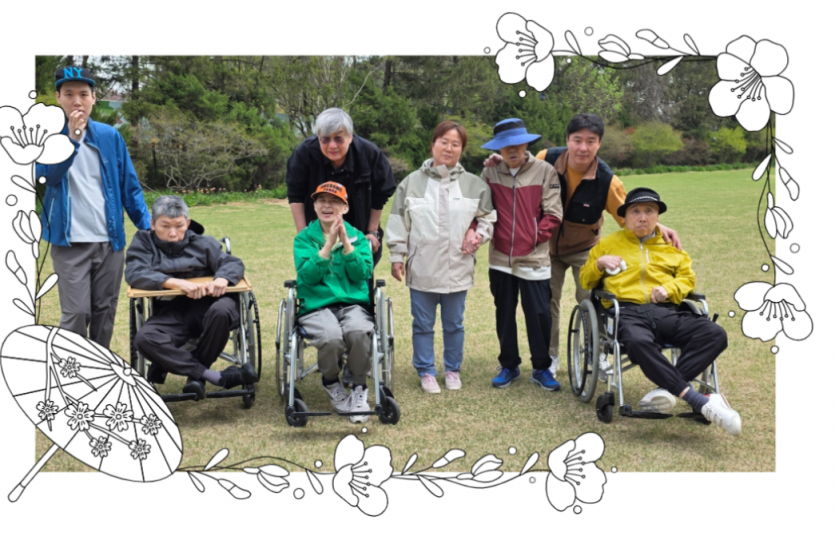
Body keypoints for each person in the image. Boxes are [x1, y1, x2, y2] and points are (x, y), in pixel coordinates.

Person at [485, 113, 681, 377]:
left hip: (584, 249)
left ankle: (596, 353)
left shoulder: (608, 180)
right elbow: (519, 166)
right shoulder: (546, 158)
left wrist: (657, 227)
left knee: (591, 299)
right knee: (546, 303)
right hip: (545, 248)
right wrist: (499, 160)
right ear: (567, 140)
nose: (583, 147)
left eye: (591, 141)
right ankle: (550, 357)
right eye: (577, 140)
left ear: (599, 143)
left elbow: (628, 217)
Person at [579, 187, 741, 436]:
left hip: (666, 311)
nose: (642, 217)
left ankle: (665, 391)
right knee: (637, 341)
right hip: (627, 313)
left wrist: (669, 289)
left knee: (715, 334)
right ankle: (697, 400)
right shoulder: (608, 244)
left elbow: (687, 280)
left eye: (649, 211)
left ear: (657, 216)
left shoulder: (671, 246)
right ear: (625, 217)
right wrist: (599, 264)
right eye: (635, 211)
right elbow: (585, 280)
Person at [37, 65, 151, 348]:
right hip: (69, 243)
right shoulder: (47, 137)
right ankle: (72, 368)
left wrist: (147, 228)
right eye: (69, 94)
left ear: (94, 98)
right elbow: (47, 178)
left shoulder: (110, 136)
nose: (77, 101)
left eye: (83, 94)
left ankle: (98, 369)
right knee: (76, 313)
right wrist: (72, 139)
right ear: (58, 97)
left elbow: (129, 186)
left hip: (109, 243)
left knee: (104, 313)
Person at [386, 121, 496, 393]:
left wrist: (478, 234)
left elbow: (488, 218)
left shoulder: (475, 185)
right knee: (422, 324)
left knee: (454, 324)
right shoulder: (411, 183)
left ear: (462, 149)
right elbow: (399, 221)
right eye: (444, 141)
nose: (449, 148)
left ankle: (452, 370)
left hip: (458, 266)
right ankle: (426, 371)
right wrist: (397, 256)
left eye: (455, 144)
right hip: (422, 266)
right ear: (433, 144)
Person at [125, 195, 259, 401]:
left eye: (179, 226)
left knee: (221, 311)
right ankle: (214, 377)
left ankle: (175, 369)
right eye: (165, 226)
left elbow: (233, 263)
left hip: (212, 306)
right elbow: (135, 273)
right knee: (144, 338)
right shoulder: (144, 243)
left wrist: (222, 279)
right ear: (152, 224)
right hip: (172, 310)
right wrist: (177, 283)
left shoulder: (203, 243)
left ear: (187, 223)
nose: (173, 233)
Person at [480, 118, 563, 391]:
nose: (512, 150)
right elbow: (483, 211)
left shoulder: (545, 171)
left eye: (517, 144)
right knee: (504, 313)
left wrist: (532, 238)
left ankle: (541, 367)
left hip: (534, 257)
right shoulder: (490, 173)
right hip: (500, 258)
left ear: (526, 144)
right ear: (498, 149)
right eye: (505, 146)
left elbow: (553, 214)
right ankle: (509, 365)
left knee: (539, 313)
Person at [293, 182, 375, 424]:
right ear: (314, 205)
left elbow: (363, 274)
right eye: (321, 201)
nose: (327, 206)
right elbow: (307, 277)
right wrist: (328, 245)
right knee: (331, 337)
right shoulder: (304, 239)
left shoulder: (358, 238)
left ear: (345, 208)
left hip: (353, 305)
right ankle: (331, 382)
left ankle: (359, 386)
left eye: (334, 201)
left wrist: (346, 244)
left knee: (359, 331)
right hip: (316, 306)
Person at [286, 107, 396, 266]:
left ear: (350, 136)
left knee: (358, 271)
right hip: (318, 229)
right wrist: (304, 235)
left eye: (338, 139)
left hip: (360, 227)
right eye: (325, 139)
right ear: (318, 137)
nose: (332, 145)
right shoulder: (304, 154)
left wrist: (371, 232)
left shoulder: (369, 154)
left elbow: (380, 195)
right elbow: (295, 195)